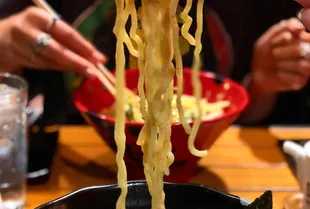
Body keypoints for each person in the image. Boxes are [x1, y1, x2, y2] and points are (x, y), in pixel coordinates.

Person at [0, 0, 308, 125]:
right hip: (73, 168)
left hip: (221, 176)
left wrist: (264, 83)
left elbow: (245, 117)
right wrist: (5, 44)